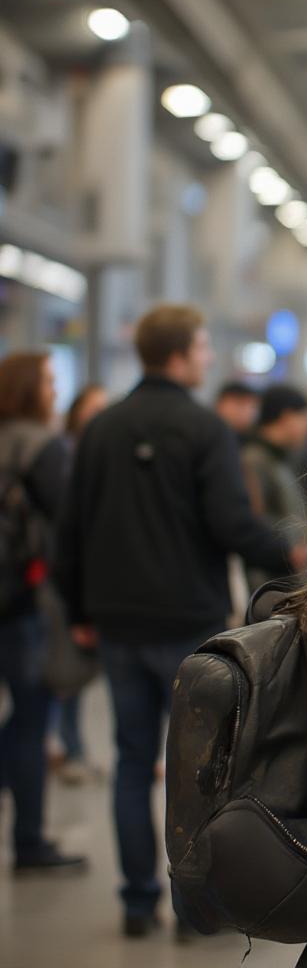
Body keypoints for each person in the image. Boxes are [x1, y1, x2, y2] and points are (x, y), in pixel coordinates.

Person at [56, 304, 307, 938]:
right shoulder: (203, 430)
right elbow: (228, 522)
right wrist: (291, 550)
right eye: (200, 347)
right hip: (187, 622)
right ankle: (192, 909)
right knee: (199, 771)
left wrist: (82, 611)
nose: (205, 357)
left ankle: (137, 902)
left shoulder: (102, 428)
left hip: (117, 622)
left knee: (131, 758)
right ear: (178, 355)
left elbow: (73, 529)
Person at [0, 352, 87, 873]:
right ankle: (29, 842)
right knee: (34, 719)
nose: (55, 391)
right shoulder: (40, 446)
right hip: (23, 600)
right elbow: (68, 526)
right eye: (49, 382)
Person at [48, 384, 109, 785]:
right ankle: (65, 747)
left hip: (79, 581)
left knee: (74, 674)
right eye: (93, 410)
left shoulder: (98, 456)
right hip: (56, 582)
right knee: (63, 671)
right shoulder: (63, 455)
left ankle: (70, 746)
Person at [241, 384, 307, 590]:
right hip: (268, 579)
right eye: (304, 418)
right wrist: (288, 549)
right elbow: (253, 517)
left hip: (286, 573)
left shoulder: (278, 458)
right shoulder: (253, 459)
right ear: (287, 416)